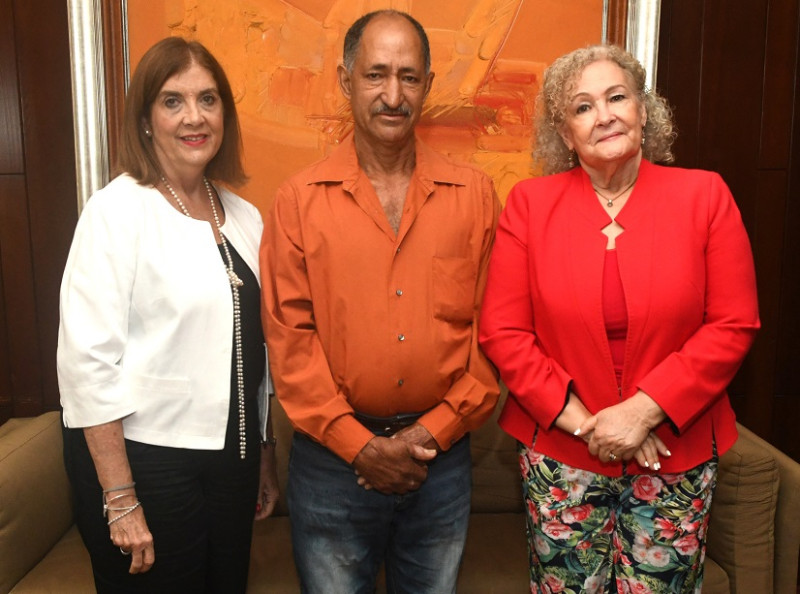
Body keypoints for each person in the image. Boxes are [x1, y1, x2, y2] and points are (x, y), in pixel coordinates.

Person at [478, 44, 760, 593]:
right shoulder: (529, 206)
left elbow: (734, 324)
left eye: (616, 97)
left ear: (644, 110)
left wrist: (644, 412)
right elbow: (503, 333)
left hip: (675, 455)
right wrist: (594, 425)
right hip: (562, 455)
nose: (603, 114)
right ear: (564, 135)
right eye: (582, 107)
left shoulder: (705, 196)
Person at [260, 10, 501, 594]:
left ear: (428, 83)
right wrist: (360, 447)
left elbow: (494, 335)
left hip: (440, 466)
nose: (393, 95)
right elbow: (291, 344)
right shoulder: (297, 201)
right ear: (345, 80)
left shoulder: (474, 196)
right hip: (331, 467)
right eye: (376, 75)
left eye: (409, 77)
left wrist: (431, 434)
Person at [57, 37, 278, 593]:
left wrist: (265, 454)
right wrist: (119, 497)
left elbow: (257, 355)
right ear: (146, 117)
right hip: (144, 464)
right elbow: (86, 364)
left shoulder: (246, 217)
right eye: (173, 100)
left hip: (233, 461)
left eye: (208, 99)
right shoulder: (116, 211)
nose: (194, 117)